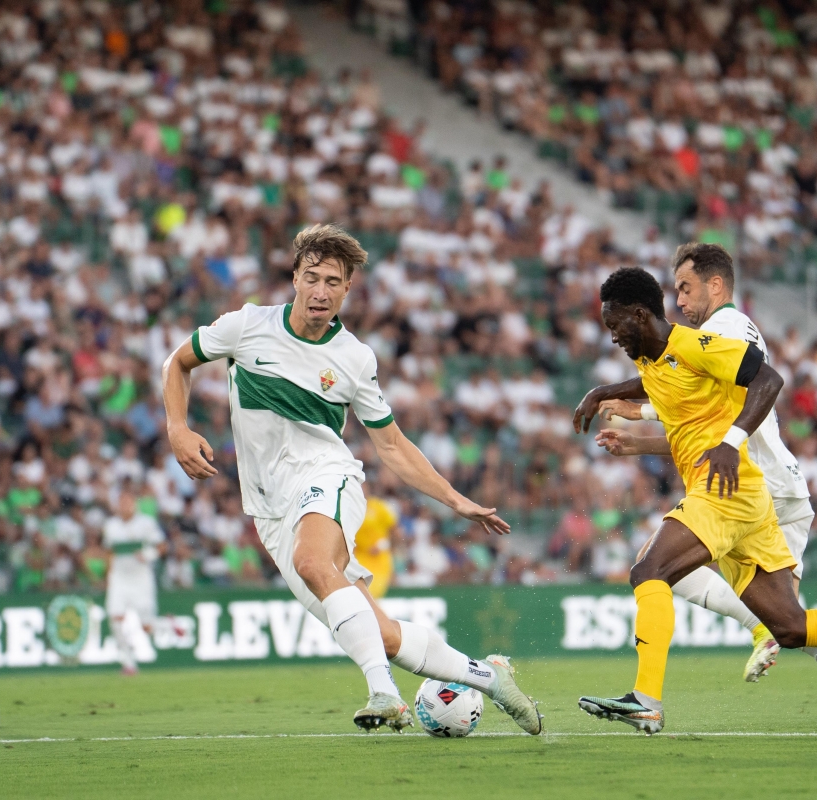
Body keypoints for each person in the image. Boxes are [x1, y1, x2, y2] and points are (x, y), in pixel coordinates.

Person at [162, 224, 541, 734]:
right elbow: (177, 362)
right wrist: (177, 426)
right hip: (270, 510)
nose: (321, 291)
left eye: (333, 282)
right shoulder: (246, 326)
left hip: (329, 477)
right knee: (379, 634)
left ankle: (384, 694)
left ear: (348, 289)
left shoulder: (355, 359)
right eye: (312, 278)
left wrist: (454, 499)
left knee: (313, 560)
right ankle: (490, 678)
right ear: (294, 277)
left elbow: (391, 444)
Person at [574, 266, 817, 735]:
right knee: (793, 628)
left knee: (648, 571)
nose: (613, 337)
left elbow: (769, 379)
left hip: (725, 491)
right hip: (749, 500)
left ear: (640, 315)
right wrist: (603, 392)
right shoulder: (657, 357)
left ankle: (646, 699)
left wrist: (731, 439)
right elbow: (655, 382)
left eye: (615, 325)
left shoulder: (693, 343)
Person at [104, 489, 166, 675]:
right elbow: (109, 552)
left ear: (134, 504)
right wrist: (108, 576)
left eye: (128, 502)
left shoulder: (146, 524)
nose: (124, 506)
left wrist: (148, 555)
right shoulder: (110, 526)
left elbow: (162, 546)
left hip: (141, 580)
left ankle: (169, 625)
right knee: (115, 618)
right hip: (119, 579)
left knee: (146, 627)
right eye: (121, 503)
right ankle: (129, 664)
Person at [354, 495, 397, 599]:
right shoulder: (350, 506)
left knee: (372, 596)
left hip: (379, 561)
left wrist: (383, 545)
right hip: (358, 558)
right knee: (360, 596)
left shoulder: (378, 506)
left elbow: (395, 532)